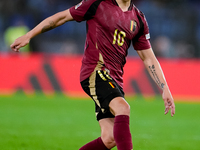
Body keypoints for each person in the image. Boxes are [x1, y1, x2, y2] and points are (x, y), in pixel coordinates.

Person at [10, 0, 175, 150]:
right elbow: (61, 17)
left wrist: (164, 87)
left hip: (115, 79)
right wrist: (28, 35)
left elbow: (148, 58)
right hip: (95, 71)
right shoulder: (97, 3)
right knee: (123, 107)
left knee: (110, 138)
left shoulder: (138, 18)